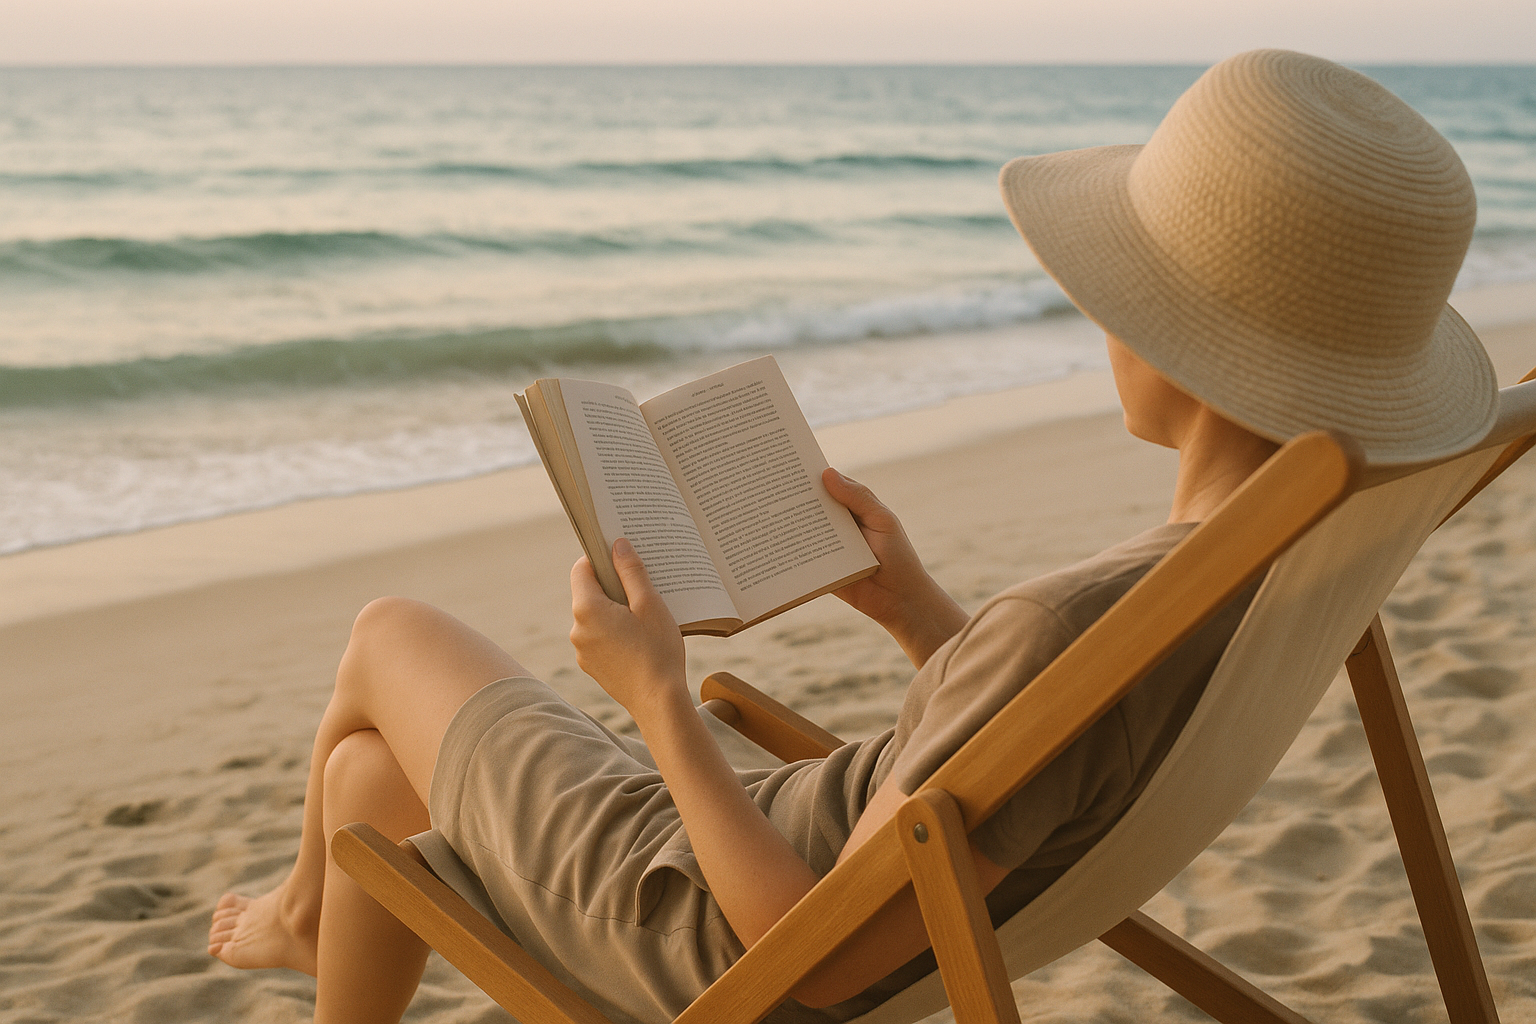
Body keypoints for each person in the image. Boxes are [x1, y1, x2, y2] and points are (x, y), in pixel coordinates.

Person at [208, 49, 1497, 1024]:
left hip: (703, 917)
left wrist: (655, 691)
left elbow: (805, 957)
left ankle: (303, 914)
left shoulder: (1069, 623)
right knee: (370, 789)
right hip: (808, 839)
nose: (1097, 320)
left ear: (1188, 350)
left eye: (1119, 294)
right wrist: (912, 608)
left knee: (392, 635)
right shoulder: (1230, 582)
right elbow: (1050, 746)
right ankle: (321, 902)